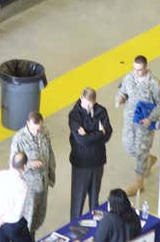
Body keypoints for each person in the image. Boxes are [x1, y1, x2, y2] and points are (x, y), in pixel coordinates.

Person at [115, 56, 160, 196]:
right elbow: (123, 91)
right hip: (130, 120)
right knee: (128, 145)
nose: (136, 72)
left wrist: (151, 119)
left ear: (145, 68)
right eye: (134, 69)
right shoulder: (129, 78)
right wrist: (120, 98)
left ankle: (139, 183)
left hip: (144, 124)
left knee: (140, 152)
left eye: (139, 69)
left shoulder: (154, 84)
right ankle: (148, 160)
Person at [64, 93, 108, 223]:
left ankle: (96, 229)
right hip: (81, 165)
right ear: (81, 98)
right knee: (78, 200)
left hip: (98, 161)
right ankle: (74, 228)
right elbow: (81, 140)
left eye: (91, 104)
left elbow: (108, 133)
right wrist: (99, 132)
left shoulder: (101, 111)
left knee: (95, 198)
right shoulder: (74, 116)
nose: (89, 107)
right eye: (86, 103)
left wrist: (89, 133)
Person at [0, 153, 33, 242]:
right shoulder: (23, 186)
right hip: (13, 226)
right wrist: (2, 220)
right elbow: (16, 215)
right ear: (25, 166)